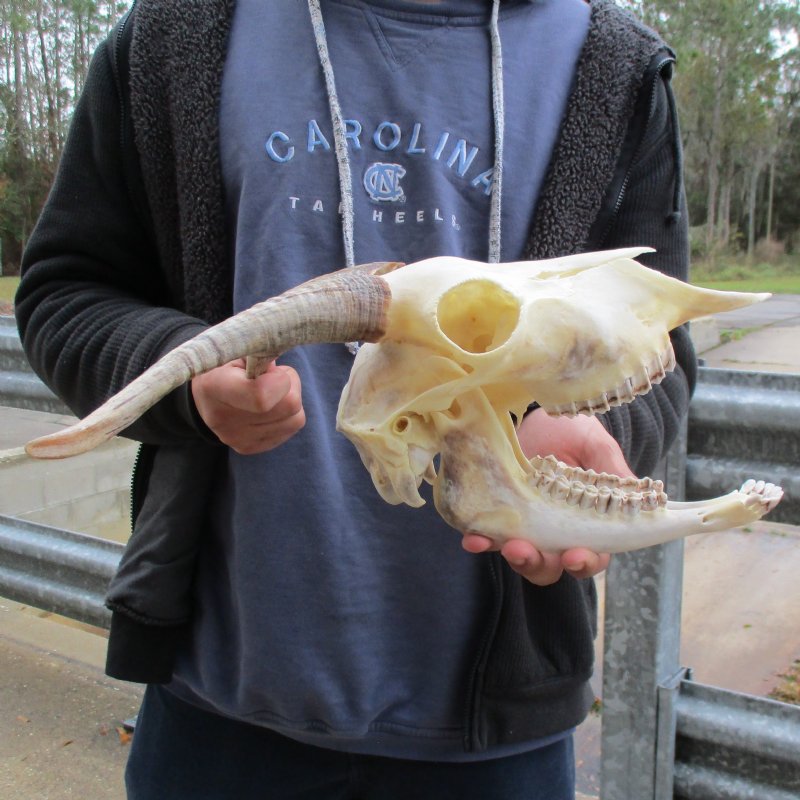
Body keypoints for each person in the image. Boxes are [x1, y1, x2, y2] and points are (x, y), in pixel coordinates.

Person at [15, 0, 696, 797]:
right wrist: (186, 381)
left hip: (495, 737)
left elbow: (661, 344)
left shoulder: (612, 65)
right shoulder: (177, 33)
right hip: (217, 710)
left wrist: (582, 427)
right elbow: (66, 292)